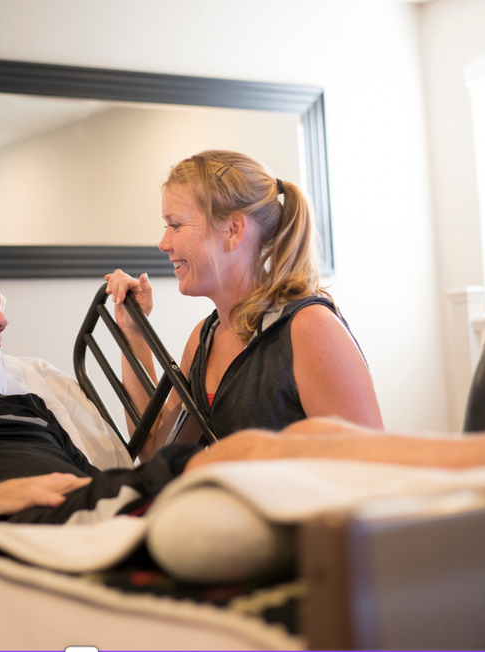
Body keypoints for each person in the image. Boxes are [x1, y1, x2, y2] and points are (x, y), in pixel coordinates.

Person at [0, 250, 485, 547]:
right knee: (269, 449)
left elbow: (137, 460)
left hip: (91, 509)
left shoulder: (24, 406)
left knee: (302, 445)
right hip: (26, 527)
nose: (2, 314)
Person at [106, 150, 383, 461]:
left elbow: (370, 469)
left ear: (233, 230)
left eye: (176, 225)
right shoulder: (204, 339)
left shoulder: (310, 329)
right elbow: (156, 451)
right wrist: (134, 334)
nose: (164, 243)